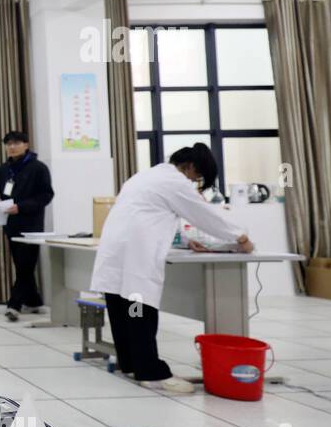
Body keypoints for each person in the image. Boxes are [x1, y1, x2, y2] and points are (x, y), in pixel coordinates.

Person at [90, 143, 254, 394]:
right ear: (189, 167)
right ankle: (151, 372)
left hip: (117, 252)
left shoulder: (146, 176)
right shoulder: (174, 182)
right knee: (139, 312)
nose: (194, 182)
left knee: (123, 310)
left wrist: (187, 240)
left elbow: (157, 213)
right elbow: (204, 214)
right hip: (136, 254)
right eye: (196, 177)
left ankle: (131, 365)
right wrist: (240, 236)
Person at [0, 131, 54, 321]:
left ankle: (14, 305)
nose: (11, 147)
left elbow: (46, 195)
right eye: (8, 144)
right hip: (10, 225)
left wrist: (21, 207)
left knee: (25, 265)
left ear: (26, 145)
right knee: (21, 264)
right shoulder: (3, 170)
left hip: (31, 225)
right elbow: (1, 193)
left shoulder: (38, 168)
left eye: (16, 143)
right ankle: (34, 301)